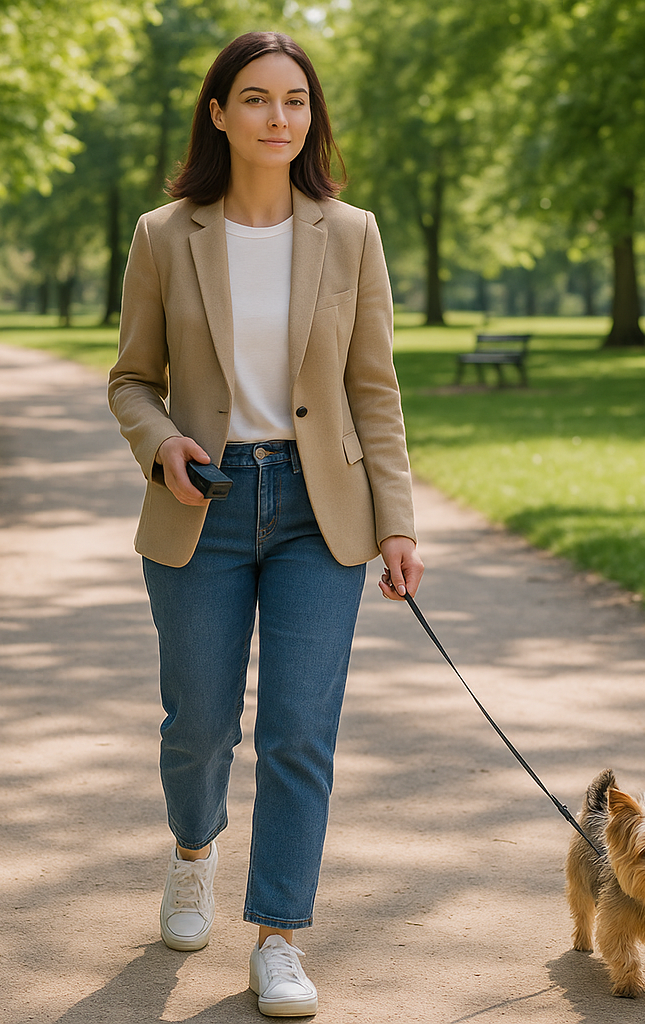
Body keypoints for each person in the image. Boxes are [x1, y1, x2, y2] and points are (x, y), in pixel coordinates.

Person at [107, 29, 423, 1018]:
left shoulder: (351, 232)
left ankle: (279, 936)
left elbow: (375, 392)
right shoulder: (165, 235)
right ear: (218, 113)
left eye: (295, 100)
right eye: (255, 99)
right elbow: (131, 381)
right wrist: (160, 444)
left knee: (299, 733)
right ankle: (194, 850)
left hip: (317, 513)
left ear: (311, 117)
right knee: (199, 727)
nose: (277, 117)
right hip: (201, 502)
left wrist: (400, 523)